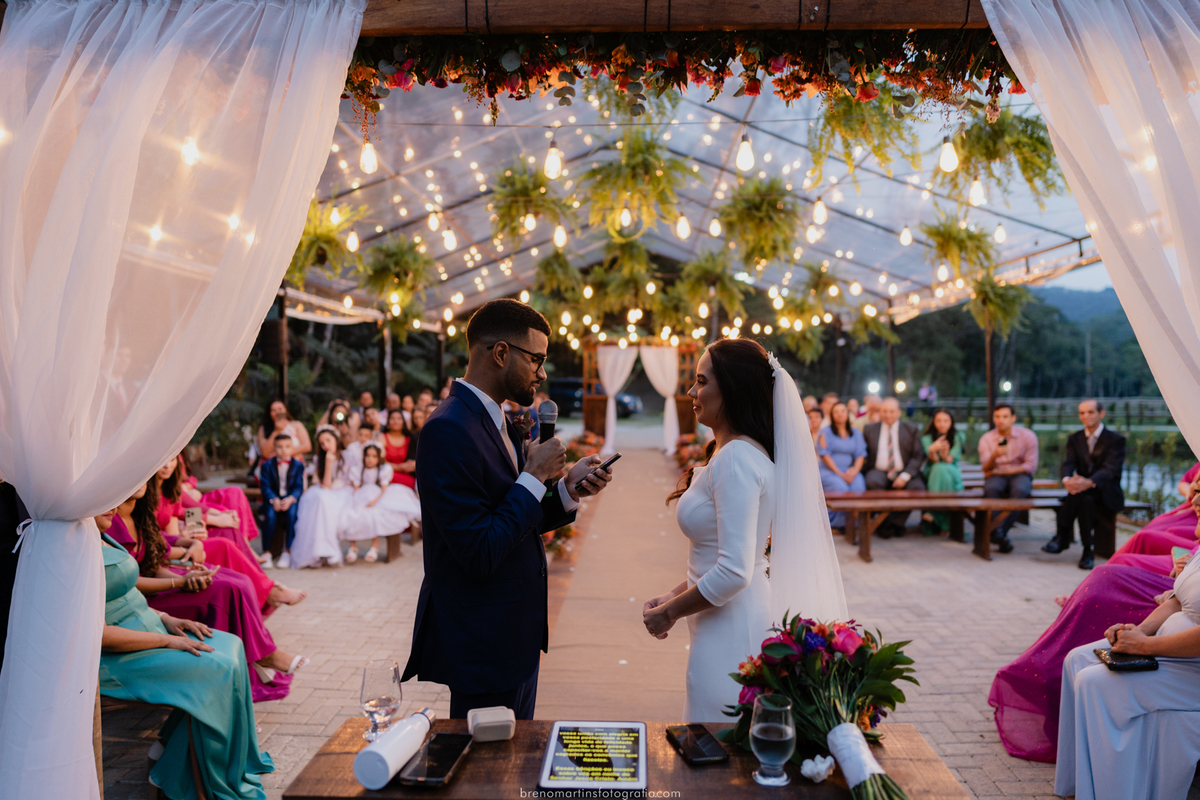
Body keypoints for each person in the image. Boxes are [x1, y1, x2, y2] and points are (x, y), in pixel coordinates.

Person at [402, 299, 613, 720]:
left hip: (514, 634)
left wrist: (567, 491)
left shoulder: (495, 417)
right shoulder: (447, 429)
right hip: (482, 642)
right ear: (500, 353)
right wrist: (533, 476)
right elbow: (479, 550)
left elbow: (511, 518)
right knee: (484, 777)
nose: (542, 372)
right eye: (536, 359)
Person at [644, 338, 848, 722]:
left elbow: (735, 571)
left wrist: (668, 613)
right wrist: (672, 594)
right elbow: (734, 558)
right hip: (724, 620)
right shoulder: (739, 452)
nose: (691, 391)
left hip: (730, 629)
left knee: (717, 744)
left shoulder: (737, 458)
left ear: (733, 389)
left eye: (701, 381)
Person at [96, 507, 274, 798]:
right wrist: (165, 641)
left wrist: (167, 619)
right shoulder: (76, 550)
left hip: (152, 629)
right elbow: (100, 634)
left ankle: (172, 754)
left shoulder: (103, 534)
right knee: (218, 669)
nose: (114, 505)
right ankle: (182, 778)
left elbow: (126, 594)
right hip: (120, 658)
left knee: (232, 645)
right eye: (105, 499)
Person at [112, 482, 306, 700]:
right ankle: (248, 668)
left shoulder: (144, 511)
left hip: (164, 573)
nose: (140, 480)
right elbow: (127, 579)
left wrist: (186, 569)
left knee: (235, 582)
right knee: (223, 588)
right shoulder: (109, 521)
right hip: (139, 602)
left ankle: (248, 665)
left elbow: (156, 557)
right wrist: (180, 581)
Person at [1055, 552, 1200, 800]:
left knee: (1094, 682)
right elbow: (1177, 602)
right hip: (1169, 650)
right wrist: (1138, 631)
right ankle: (1079, 785)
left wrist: (1144, 646)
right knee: (1077, 659)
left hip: (1191, 670)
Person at [1042, 399, 1127, 570]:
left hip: (1106, 492)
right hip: (1082, 493)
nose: (1085, 416)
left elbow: (1110, 469)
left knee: (1080, 496)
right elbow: (1068, 463)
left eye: (1090, 412)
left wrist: (1088, 482)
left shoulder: (1116, 440)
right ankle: (1087, 551)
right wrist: (1067, 481)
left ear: (1101, 414)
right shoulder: (1075, 438)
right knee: (1084, 500)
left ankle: (1062, 536)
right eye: (1082, 413)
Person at [340, 443, 422, 563]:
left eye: (374, 456)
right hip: (362, 495)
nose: (370, 459)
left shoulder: (384, 469)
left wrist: (374, 501)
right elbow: (356, 488)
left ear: (379, 458)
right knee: (351, 516)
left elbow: (384, 489)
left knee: (376, 516)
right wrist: (355, 500)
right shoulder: (357, 470)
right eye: (367, 456)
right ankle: (353, 547)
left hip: (378, 496)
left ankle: (374, 547)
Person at [978, 403, 1039, 554]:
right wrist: (994, 456)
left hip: (1019, 474)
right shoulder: (987, 439)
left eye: (1005, 416)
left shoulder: (1027, 436)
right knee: (991, 489)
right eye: (997, 417)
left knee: (1020, 489)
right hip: (996, 475)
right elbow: (986, 469)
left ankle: (998, 531)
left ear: (1013, 418)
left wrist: (1008, 470)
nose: (1001, 420)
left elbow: (1030, 467)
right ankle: (1000, 535)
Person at [290, 426, 353, 569]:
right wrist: (328, 463)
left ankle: (328, 550)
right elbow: (325, 486)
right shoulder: (320, 458)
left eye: (328, 441)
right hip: (326, 490)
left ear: (336, 439)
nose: (325, 445)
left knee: (324, 503)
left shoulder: (347, 457)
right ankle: (316, 553)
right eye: (322, 443)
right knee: (319, 500)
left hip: (342, 493)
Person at [863, 397, 926, 538]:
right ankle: (891, 524)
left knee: (917, 488)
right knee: (871, 482)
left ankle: (890, 523)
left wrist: (904, 476)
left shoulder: (911, 429)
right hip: (879, 471)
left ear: (899, 412)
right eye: (884, 411)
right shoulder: (869, 429)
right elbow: (863, 454)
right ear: (880, 412)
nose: (888, 415)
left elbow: (918, 455)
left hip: (904, 471)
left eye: (892, 411)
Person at [817, 401, 867, 530]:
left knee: (858, 484)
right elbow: (825, 455)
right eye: (836, 412)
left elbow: (860, 454)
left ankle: (855, 523)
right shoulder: (825, 432)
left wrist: (855, 471)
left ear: (848, 413)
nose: (840, 414)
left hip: (849, 471)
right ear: (832, 415)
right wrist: (840, 474)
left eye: (843, 411)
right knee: (840, 486)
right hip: (830, 471)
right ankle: (837, 524)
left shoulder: (856, 433)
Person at [260, 434, 305, 569]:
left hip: (290, 499)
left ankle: (287, 551)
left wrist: (291, 499)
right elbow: (265, 486)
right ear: (274, 448)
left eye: (287, 447)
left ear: (292, 448)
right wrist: (273, 499)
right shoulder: (267, 465)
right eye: (279, 447)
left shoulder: (298, 465)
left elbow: (299, 486)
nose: (283, 450)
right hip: (273, 499)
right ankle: (266, 552)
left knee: (292, 515)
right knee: (269, 516)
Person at [920, 409, 963, 536]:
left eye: (945, 421)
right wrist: (933, 451)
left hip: (951, 470)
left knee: (941, 469)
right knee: (939, 470)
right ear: (933, 422)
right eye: (938, 421)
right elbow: (934, 461)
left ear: (951, 422)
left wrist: (945, 454)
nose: (942, 424)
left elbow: (949, 460)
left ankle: (934, 515)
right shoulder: (926, 438)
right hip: (932, 470)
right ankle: (946, 524)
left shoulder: (958, 437)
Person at [383, 409, 417, 488]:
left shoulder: (410, 439)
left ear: (403, 422)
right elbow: (379, 461)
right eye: (392, 419)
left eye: (399, 419)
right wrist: (398, 467)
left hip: (407, 475)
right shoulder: (382, 438)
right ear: (388, 422)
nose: (396, 421)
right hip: (388, 473)